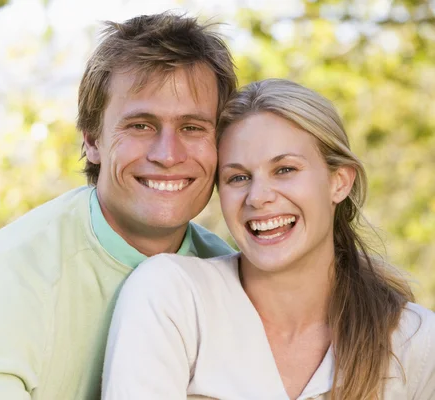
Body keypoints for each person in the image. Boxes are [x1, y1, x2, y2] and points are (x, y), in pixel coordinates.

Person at [0, 12, 238, 400]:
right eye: (141, 125)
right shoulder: (14, 271)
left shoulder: (229, 279)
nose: (168, 154)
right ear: (93, 140)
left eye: (192, 128)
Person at [102, 79, 435, 400]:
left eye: (285, 170)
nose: (258, 197)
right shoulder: (171, 296)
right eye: (238, 177)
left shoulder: (415, 341)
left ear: (339, 181)